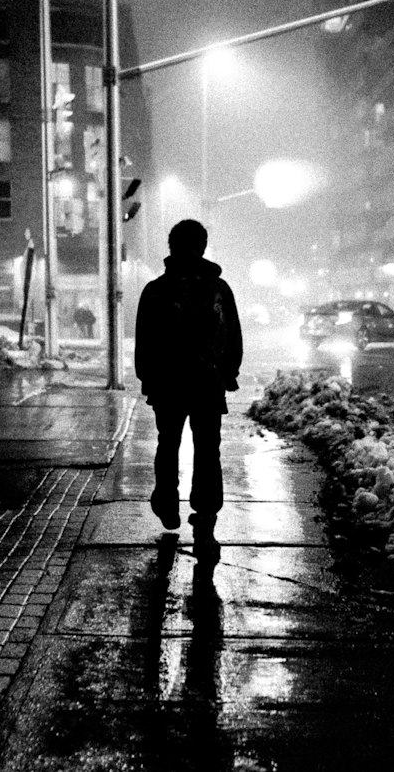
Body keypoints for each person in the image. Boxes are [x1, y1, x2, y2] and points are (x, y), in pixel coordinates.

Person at [134, 218, 243, 546]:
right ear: (203, 246)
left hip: (168, 384)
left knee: (168, 444)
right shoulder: (219, 290)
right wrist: (229, 373)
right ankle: (206, 507)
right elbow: (233, 336)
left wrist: (148, 378)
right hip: (208, 383)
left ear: (171, 247)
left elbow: (145, 340)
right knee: (208, 448)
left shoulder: (155, 290)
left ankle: (167, 502)